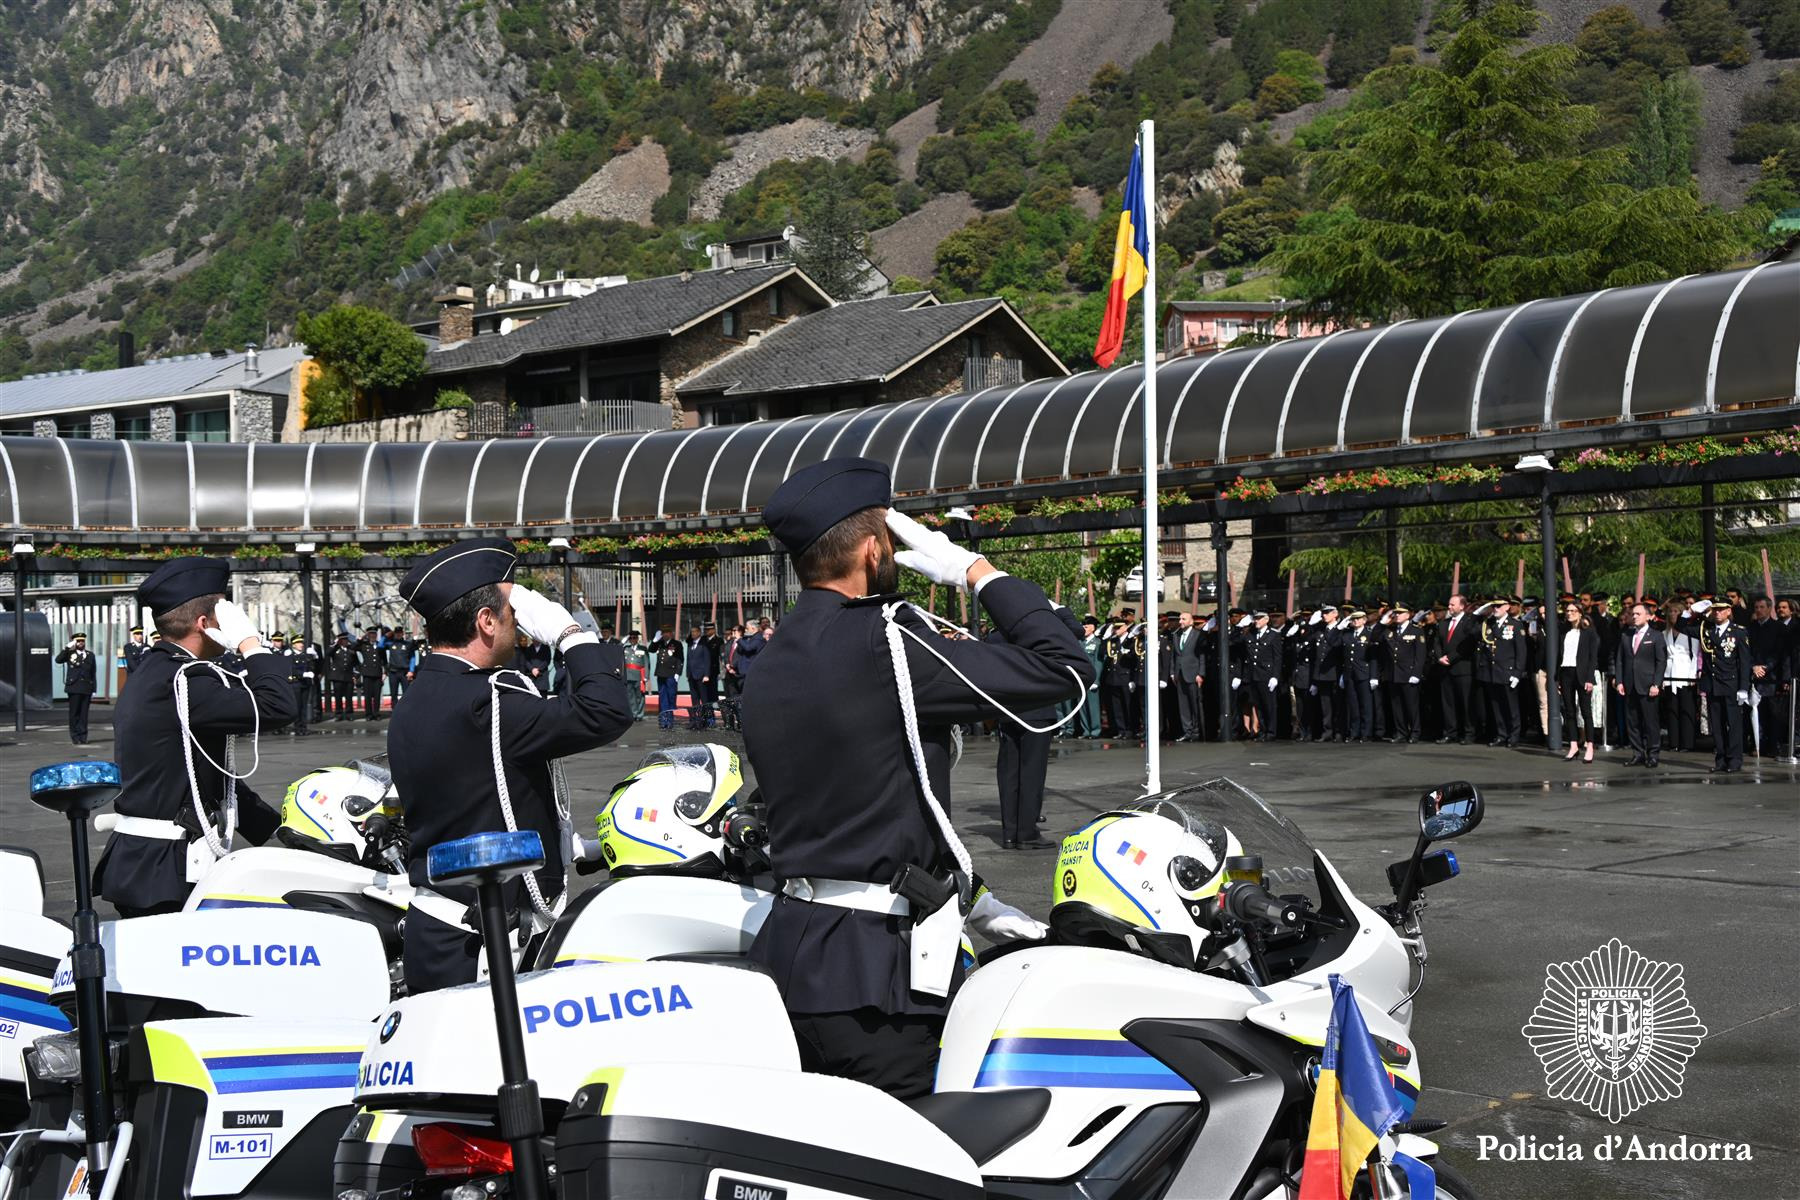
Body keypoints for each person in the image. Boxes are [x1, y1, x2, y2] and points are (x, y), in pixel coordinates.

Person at [741, 458, 1088, 1100]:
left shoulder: (768, 659)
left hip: (794, 955)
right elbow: (1063, 670)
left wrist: (968, 897)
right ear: (875, 550)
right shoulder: (889, 641)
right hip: (877, 977)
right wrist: (972, 571)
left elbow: (860, 800)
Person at [389, 538, 633, 992]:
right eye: (511, 612)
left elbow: (478, 795)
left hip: (442, 932)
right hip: (486, 945)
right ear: (485, 622)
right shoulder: (490, 701)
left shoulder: (422, 694)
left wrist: (564, 846)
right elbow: (607, 711)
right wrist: (571, 635)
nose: (519, 626)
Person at [94, 558, 296, 917]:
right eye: (225, 615)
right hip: (163, 870)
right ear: (205, 624)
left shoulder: (162, 672)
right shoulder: (184, 681)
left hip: (151, 866)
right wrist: (250, 642)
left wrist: (278, 829)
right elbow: (278, 706)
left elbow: (201, 769)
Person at [1697, 599, 1751, 773]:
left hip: (1731, 684)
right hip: (1713, 684)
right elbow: (1682, 627)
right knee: (1717, 726)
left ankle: (1735, 760)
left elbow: (1744, 662)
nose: (1717, 613)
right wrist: (1691, 611)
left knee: (1734, 724)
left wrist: (1744, 687)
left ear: (1729, 611)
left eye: (1721, 610)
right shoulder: (1707, 631)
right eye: (1715, 610)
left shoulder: (1739, 632)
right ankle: (1720, 759)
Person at [1615, 600, 1667, 767]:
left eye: (1638, 614)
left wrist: (1656, 684)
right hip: (1630, 685)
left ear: (1648, 616)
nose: (1634, 617)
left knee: (1651, 722)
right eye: (1633, 614)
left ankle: (1653, 755)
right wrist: (1620, 681)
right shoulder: (1626, 635)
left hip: (1648, 685)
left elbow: (1661, 661)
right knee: (1633, 722)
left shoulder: (1656, 636)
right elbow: (1620, 661)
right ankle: (1637, 753)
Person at [1555, 601, 1599, 762]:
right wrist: (1557, 678)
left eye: (1573, 611)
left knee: (1586, 712)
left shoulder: (1588, 632)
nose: (1569, 613)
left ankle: (1590, 745)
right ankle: (1573, 745)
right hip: (1566, 672)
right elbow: (1560, 655)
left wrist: (1589, 678)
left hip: (1582, 674)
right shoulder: (1563, 631)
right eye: (1567, 611)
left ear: (1580, 613)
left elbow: (1592, 657)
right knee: (1569, 711)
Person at [1385, 602, 1426, 743]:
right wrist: (1383, 622)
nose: (1396, 615)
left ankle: (1415, 732)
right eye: (1395, 613)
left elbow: (1420, 655)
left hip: (1408, 675)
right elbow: (1375, 637)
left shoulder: (1416, 630)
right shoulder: (1390, 630)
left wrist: (1416, 673)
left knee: (1411, 706)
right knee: (1397, 707)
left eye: (1400, 613)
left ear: (1408, 614)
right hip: (1393, 674)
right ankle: (1401, 732)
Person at [54, 632, 98, 745]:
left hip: (86, 687)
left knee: (84, 714)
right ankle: (75, 736)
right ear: (74, 642)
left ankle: (83, 736)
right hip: (74, 687)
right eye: (78, 641)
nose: (80, 643)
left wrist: (94, 689)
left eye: (82, 641)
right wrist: (67, 648)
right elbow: (58, 660)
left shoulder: (90, 655)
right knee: (74, 713)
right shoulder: (69, 653)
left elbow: (93, 672)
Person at [1171, 610, 1205, 742]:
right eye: (1180, 619)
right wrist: (1173, 672)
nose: (1180, 622)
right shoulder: (1176, 635)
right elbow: (1175, 656)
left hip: (1193, 673)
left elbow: (1201, 655)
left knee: (1194, 704)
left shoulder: (1197, 635)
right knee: (1183, 705)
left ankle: (1196, 732)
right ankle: (1187, 731)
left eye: (1183, 619)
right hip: (1180, 674)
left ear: (1191, 622)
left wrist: (1200, 673)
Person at [326, 632, 355, 720]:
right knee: (338, 696)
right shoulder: (335, 649)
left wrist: (356, 674)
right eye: (343, 640)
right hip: (337, 676)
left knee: (349, 696)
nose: (345, 641)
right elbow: (328, 653)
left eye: (346, 639)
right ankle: (339, 714)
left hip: (348, 676)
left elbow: (356, 662)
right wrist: (335, 643)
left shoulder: (351, 649)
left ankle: (349, 714)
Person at [622, 630, 649, 720]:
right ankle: (634, 714)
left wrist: (646, 676)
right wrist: (623, 640)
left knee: (640, 696)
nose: (632, 639)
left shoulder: (643, 649)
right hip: (628, 675)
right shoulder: (625, 648)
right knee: (630, 696)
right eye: (631, 638)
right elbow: (617, 650)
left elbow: (646, 663)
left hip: (639, 676)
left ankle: (640, 714)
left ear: (637, 639)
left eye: (634, 638)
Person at [385, 629, 413, 707]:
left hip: (405, 672)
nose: (398, 634)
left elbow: (412, 657)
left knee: (407, 693)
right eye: (396, 633)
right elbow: (380, 645)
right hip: (393, 672)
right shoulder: (390, 643)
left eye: (400, 633)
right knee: (393, 693)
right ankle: (394, 710)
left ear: (402, 633)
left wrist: (411, 670)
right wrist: (387, 635)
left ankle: (406, 709)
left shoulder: (408, 644)